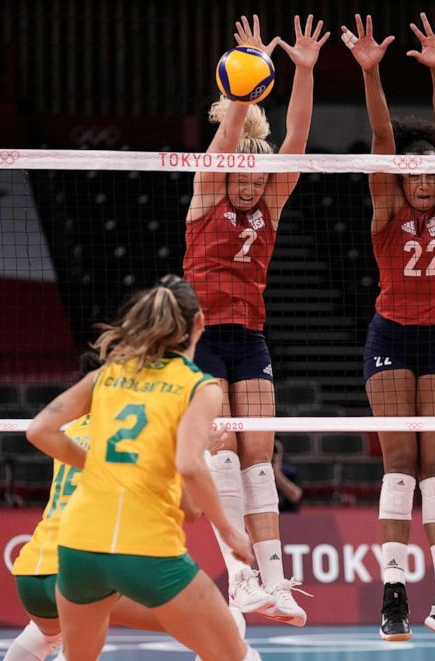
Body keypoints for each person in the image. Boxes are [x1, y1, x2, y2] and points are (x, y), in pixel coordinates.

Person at [25, 275, 257, 661]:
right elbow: (189, 465)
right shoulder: (200, 387)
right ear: (199, 323)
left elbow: (40, 431)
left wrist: (97, 464)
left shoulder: (109, 373)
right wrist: (230, 531)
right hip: (146, 547)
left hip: (79, 548)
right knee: (236, 650)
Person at [183, 14, 327, 625]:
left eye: (257, 177)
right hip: (202, 338)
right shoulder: (209, 190)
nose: (250, 183)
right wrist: (245, 83)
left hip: (251, 339)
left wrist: (303, 70)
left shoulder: (270, 196)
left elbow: (295, 137)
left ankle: (275, 582)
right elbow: (229, 140)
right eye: (243, 174)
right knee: (220, 450)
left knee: (258, 460)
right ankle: (241, 580)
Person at [343, 13, 435, 645]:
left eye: (431, 173)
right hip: (391, 338)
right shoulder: (387, 206)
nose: (423, 180)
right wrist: (372, 75)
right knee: (400, 467)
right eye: (412, 173)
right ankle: (393, 597)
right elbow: (380, 137)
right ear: (401, 178)